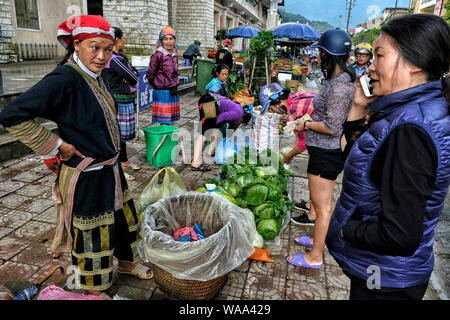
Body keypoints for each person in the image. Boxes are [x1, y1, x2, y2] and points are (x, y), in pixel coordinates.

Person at [0, 15, 153, 299]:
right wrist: (58, 145)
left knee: (121, 220)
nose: (102, 56)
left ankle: (128, 264)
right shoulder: (65, 78)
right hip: (87, 175)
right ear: (77, 45)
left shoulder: (96, 74)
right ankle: (95, 289)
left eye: (108, 49)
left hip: (110, 169)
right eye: (94, 48)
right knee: (92, 235)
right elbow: (11, 115)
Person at [327, 14, 450, 300]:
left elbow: (400, 235)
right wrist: (358, 109)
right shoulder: (408, 113)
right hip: (383, 273)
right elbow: (365, 172)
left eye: (379, 56)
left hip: (384, 280)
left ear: (415, 64)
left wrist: (346, 229)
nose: (369, 67)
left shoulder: (411, 129)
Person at [286, 28, 355, 268]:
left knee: (323, 207)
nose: (318, 56)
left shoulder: (340, 86)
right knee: (322, 205)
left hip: (327, 153)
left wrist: (306, 123)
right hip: (322, 150)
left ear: (329, 54)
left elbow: (332, 126)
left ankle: (315, 257)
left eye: (320, 52)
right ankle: (319, 240)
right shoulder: (336, 80)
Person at [102, 26, 141, 181]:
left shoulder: (118, 58)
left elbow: (134, 72)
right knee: (117, 135)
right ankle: (117, 168)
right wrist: (130, 75)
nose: (125, 42)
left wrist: (131, 74)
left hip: (122, 98)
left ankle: (123, 162)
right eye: (124, 39)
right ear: (117, 40)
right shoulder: (114, 59)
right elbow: (133, 77)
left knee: (122, 135)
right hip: (117, 100)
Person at [191, 93, 250, 172]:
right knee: (204, 134)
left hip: (207, 99)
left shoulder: (238, 108)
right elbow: (222, 117)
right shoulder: (238, 114)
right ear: (242, 119)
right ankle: (195, 163)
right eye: (241, 123)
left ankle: (211, 151)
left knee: (214, 129)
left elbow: (229, 129)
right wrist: (209, 126)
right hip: (210, 103)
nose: (238, 123)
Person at [146, 26, 180, 124]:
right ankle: (162, 138)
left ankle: (167, 138)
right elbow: (150, 73)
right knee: (164, 121)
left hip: (172, 91)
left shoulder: (174, 54)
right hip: (162, 92)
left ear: (174, 40)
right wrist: (156, 84)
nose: (169, 42)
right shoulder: (158, 55)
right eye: (166, 39)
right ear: (161, 41)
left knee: (170, 121)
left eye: (171, 39)